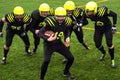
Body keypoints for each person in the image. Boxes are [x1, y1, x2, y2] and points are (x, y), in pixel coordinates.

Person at [37, 7, 74, 80]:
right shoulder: (50, 22)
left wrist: (67, 37)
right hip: (49, 44)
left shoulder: (67, 21)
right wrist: (47, 38)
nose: (60, 18)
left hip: (58, 43)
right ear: (55, 16)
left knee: (71, 58)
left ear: (65, 16)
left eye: (62, 16)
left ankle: (66, 72)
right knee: (46, 61)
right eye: (58, 16)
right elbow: (40, 33)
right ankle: (41, 78)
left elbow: (67, 30)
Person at [85, 1, 117, 68]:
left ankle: (112, 59)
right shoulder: (88, 14)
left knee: (109, 43)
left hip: (107, 28)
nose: (89, 13)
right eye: (88, 11)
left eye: (91, 11)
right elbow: (81, 16)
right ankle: (104, 52)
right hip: (98, 29)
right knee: (97, 44)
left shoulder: (103, 10)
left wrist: (114, 26)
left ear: (95, 9)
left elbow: (114, 14)